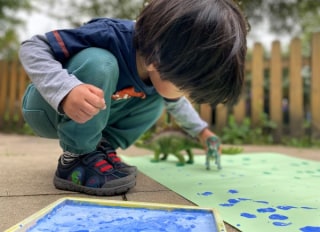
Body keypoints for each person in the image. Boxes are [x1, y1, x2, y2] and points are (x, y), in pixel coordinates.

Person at [19, 0, 247, 196]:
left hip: (89, 116)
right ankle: (76, 158)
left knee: (159, 98)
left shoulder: (161, 68)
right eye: (185, 88)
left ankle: (97, 149)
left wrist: (201, 132)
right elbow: (32, 47)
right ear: (155, 61)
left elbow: (176, 103)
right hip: (46, 108)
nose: (187, 96)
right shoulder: (110, 35)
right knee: (101, 63)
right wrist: (66, 90)